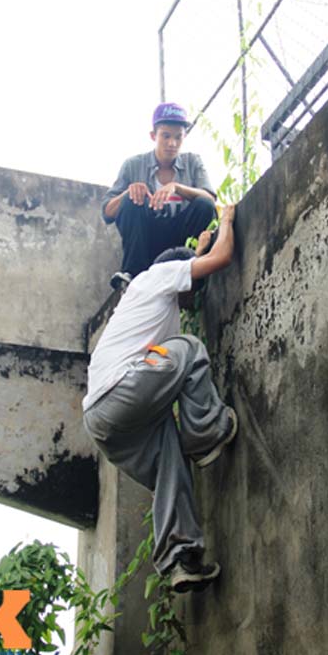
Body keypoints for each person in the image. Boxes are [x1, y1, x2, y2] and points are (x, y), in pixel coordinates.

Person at [83, 205, 237, 592]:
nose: (191, 299)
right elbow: (219, 259)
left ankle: (181, 558)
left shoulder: (146, 302)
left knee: (171, 463)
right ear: (178, 276)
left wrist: (198, 246)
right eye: (191, 287)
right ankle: (206, 434)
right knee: (187, 348)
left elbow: (196, 260)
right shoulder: (156, 275)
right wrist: (228, 219)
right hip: (123, 390)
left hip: (103, 422)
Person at [102, 102, 217, 289]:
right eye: (166, 136)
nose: (172, 143)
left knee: (203, 204)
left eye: (178, 137)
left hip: (182, 241)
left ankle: (192, 269)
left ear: (184, 137)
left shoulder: (192, 162)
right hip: (147, 242)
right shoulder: (133, 165)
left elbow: (210, 200)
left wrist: (177, 187)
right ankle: (133, 276)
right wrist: (128, 192)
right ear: (153, 136)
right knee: (130, 201)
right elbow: (107, 212)